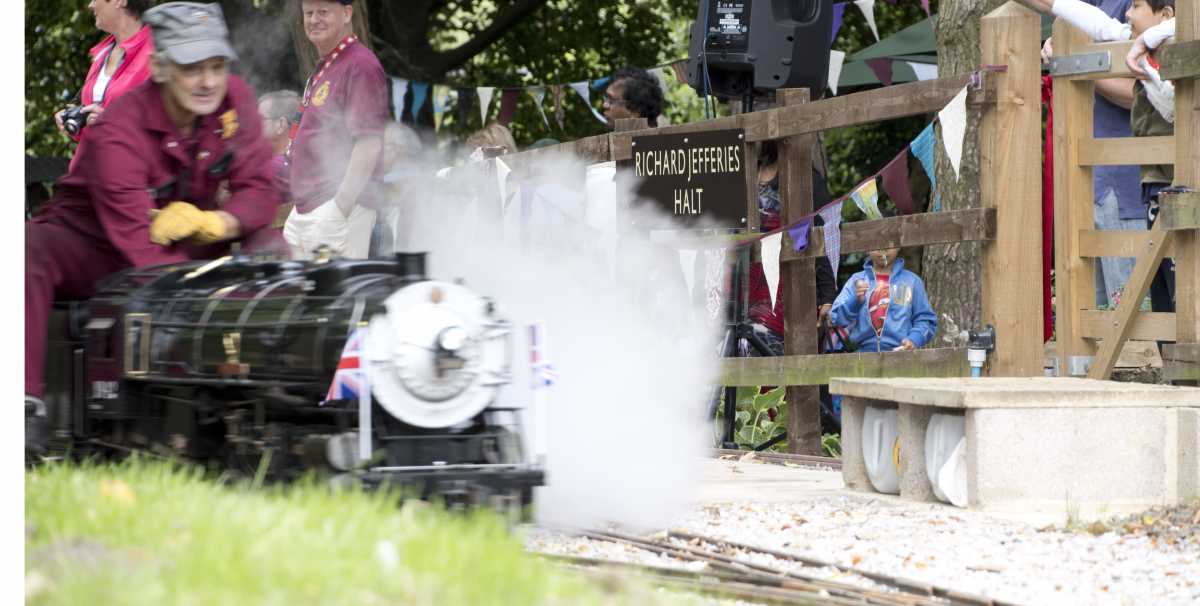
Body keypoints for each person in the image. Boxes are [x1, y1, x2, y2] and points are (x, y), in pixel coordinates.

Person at [25, 2, 280, 456]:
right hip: (93, 242)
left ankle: (287, 387)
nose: (207, 81)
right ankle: (23, 404)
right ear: (160, 68)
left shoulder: (234, 100)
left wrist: (217, 222)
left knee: (272, 245)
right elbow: (140, 248)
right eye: (191, 67)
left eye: (216, 66)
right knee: (26, 249)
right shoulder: (117, 130)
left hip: (187, 236)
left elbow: (260, 189)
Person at [1033, 0, 1177, 311]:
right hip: (1089, 181)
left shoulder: (1140, 12)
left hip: (1129, 184)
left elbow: (1139, 93)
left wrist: (1078, 66)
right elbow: (1074, 13)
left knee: (1136, 320)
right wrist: (1061, 49)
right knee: (1096, 323)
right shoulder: (1101, 7)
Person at [284, 0, 389, 260]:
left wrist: (340, 208)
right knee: (304, 298)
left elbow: (369, 143)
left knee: (335, 297)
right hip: (307, 209)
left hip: (337, 209)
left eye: (323, 11)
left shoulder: (361, 65)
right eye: (309, 13)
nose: (314, 19)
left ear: (346, 13)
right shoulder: (330, 64)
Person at [54, 0, 156, 165]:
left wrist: (113, 124)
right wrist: (75, 121)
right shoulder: (102, 53)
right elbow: (94, 126)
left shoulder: (156, 52)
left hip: (130, 177)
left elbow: (170, 127)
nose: (90, 5)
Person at [829, 248, 938, 353]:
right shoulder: (856, 280)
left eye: (889, 244)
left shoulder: (912, 281)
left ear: (899, 245)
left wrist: (914, 339)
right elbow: (836, 319)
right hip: (861, 357)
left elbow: (925, 320)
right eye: (876, 245)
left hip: (902, 355)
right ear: (867, 247)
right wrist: (855, 301)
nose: (883, 250)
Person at [257, 89, 301, 227]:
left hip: (274, 246)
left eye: (259, 119)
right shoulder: (300, 156)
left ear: (281, 125)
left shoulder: (274, 167)